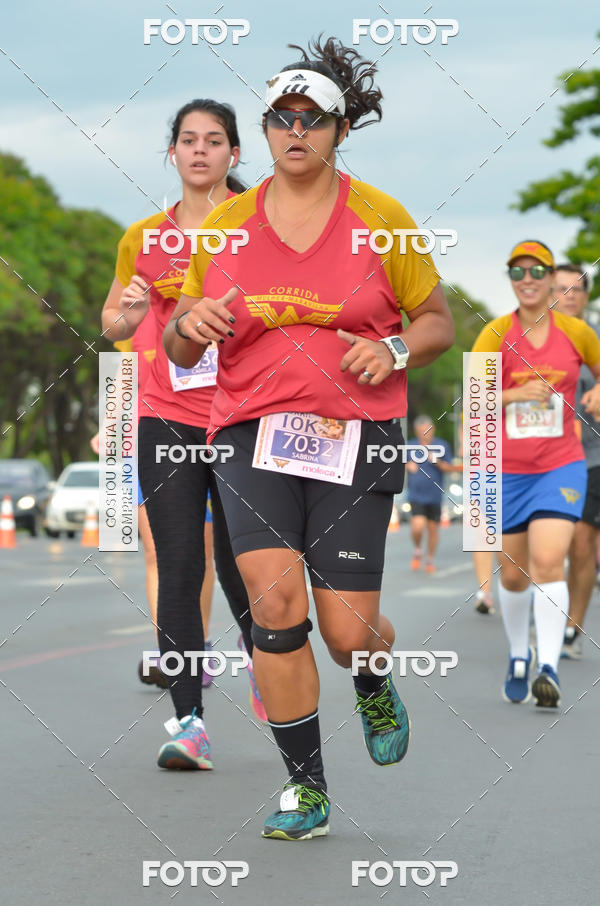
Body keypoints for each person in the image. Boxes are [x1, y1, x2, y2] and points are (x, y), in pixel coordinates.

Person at [165, 37, 454, 839]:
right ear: (264, 129)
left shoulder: (381, 218)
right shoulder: (224, 225)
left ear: (340, 129)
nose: (296, 131)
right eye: (281, 118)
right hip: (250, 435)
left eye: (313, 119)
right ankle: (306, 788)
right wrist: (190, 323)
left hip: (355, 435)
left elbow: (435, 322)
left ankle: (371, 677)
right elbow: (180, 346)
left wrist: (392, 347)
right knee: (275, 607)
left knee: (347, 631)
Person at [101, 99, 267, 772]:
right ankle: (188, 720)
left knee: (241, 563)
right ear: (172, 154)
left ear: (234, 154)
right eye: (188, 140)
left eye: (215, 140)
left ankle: (268, 660)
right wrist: (132, 310)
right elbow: (112, 325)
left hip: (242, 413)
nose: (200, 150)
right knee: (179, 561)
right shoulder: (143, 236)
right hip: (165, 413)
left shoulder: (261, 228)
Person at [472, 240, 600, 708]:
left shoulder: (577, 334)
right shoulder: (494, 334)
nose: (527, 279)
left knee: (550, 561)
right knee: (512, 577)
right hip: (507, 471)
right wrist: (513, 396)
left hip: (561, 464)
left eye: (536, 271)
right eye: (517, 271)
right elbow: (473, 398)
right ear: (511, 280)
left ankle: (548, 665)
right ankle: (517, 653)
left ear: (551, 279)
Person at [553, 263, 600, 659]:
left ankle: (572, 626)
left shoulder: (596, 339)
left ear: (586, 295)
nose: (569, 295)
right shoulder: (528, 340)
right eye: (561, 288)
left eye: (576, 289)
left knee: (582, 542)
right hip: (540, 458)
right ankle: (543, 615)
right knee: (548, 546)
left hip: (591, 457)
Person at [406, 415, 455, 574]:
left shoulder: (442, 445)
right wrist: (407, 465)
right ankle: (418, 548)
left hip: (434, 495)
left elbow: (450, 468)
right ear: (416, 431)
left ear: (432, 429)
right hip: (416, 495)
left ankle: (430, 559)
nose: (424, 434)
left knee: (433, 529)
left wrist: (437, 462)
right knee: (417, 526)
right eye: (420, 431)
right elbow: (398, 463)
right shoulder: (411, 446)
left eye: (426, 431)